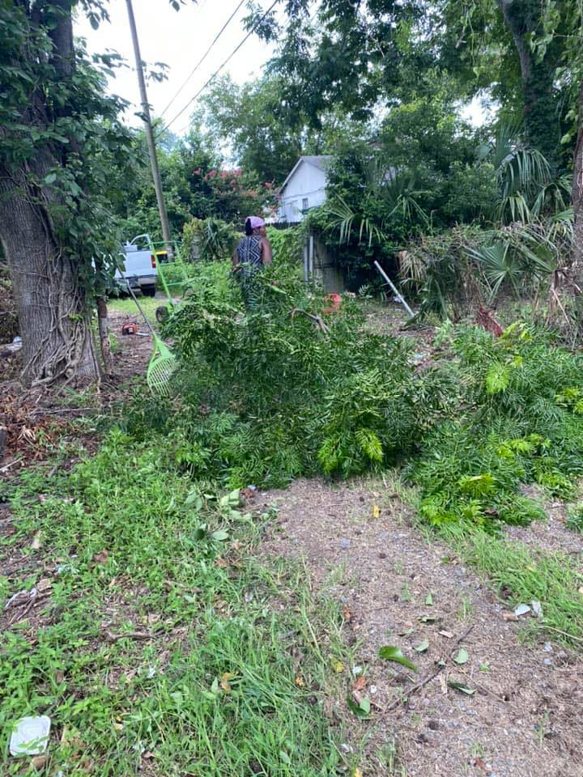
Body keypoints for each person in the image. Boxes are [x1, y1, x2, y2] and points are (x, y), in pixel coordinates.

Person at [232, 216, 272, 310]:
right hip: (260, 285)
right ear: (257, 229)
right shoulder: (263, 241)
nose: (266, 231)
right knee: (263, 313)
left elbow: (235, 268)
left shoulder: (240, 243)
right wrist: (272, 281)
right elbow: (267, 263)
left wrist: (242, 282)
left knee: (250, 312)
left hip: (245, 285)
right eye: (264, 228)